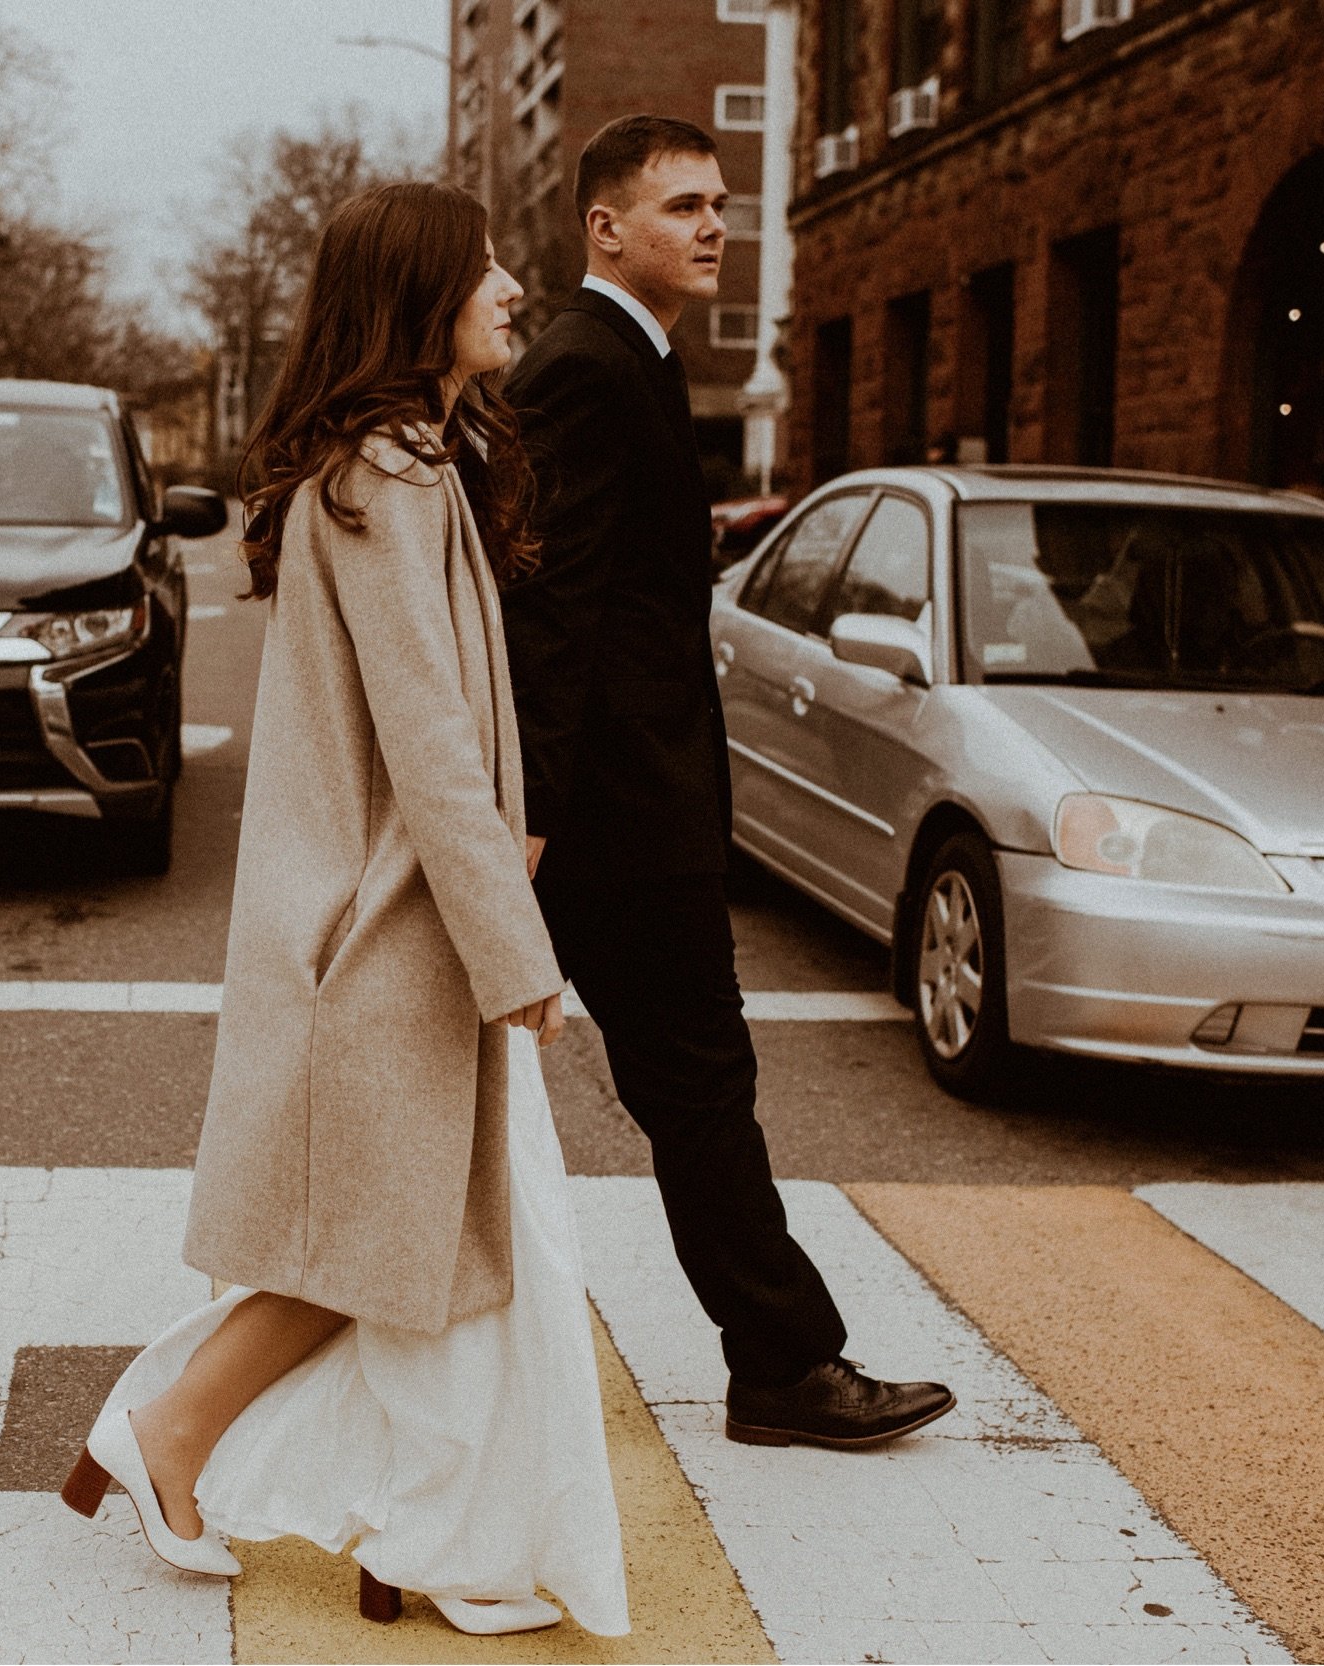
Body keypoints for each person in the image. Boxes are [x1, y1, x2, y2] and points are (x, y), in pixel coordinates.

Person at [61, 181, 629, 1640]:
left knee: (408, 1252)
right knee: (379, 1251)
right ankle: (174, 1437)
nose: (513, 284)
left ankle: (393, 1519)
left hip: (387, 928)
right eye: (485, 264)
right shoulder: (385, 477)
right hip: (377, 936)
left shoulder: (402, 464)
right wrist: (519, 952)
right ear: (419, 294)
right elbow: (432, 745)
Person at [494, 114, 956, 1448]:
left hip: (631, 811)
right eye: (685, 205)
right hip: (619, 824)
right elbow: (554, 604)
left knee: (695, 1088)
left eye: (720, 205)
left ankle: (781, 1358)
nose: (714, 226)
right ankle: (785, 1362)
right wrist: (532, 812)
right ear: (605, 228)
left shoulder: (625, 360)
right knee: (700, 1087)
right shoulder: (588, 365)